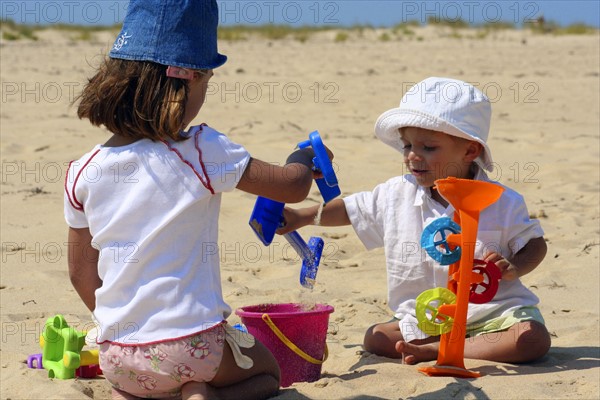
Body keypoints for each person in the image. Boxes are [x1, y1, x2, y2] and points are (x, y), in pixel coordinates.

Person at [65, 1, 321, 399]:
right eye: (205, 84)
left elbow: (81, 273)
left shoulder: (83, 170)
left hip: (117, 356)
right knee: (268, 373)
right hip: (190, 346)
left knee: (142, 383)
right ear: (184, 85)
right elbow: (292, 186)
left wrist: (121, 329)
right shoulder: (201, 149)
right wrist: (304, 158)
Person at [278, 77, 551, 366]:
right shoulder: (397, 193)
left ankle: (439, 351)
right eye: (407, 145)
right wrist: (300, 217)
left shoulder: (502, 201)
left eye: (429, 148)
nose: (412, 156)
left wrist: (514, 268)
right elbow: (351, 210)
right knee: (377, 338)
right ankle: (444, 345)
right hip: (428, 315)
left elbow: (535, 244)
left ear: (470, 151)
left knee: (531, 339)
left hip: (493, 313)